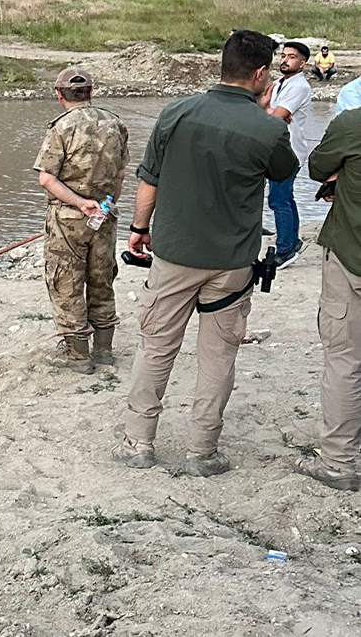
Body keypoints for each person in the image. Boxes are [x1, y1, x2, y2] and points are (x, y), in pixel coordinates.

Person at [114, 30, 298, 476]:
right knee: (218, 356)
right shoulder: (269, 127)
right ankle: (202, 451)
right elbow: (284, 172)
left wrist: (139, 228)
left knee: (156, 348)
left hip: (174, 253)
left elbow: (149, 179)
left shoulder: (176, 112)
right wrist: (263, 114)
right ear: (260, 74)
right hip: (232, 263)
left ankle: (138, 443)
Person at [33, 67, 130, 373]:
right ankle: (104, 350)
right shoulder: (115, 124)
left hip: (68, 220)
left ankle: (77, 355)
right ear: (92, 92)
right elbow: (120, 174)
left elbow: (47, 179)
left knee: (67, 282)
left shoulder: (60, 128)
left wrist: (79, 203)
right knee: (102, 279)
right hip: (104, 216)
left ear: (58, 95)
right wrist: (105, 204)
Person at [299, 107, 361, 490]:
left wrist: (341, 176)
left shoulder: (353, 124)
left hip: (352, 257)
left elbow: (317, 167)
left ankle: (339, 463)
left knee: (345, 361)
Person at [266, 41, 312, 268]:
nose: (285, 60)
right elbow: (266, 107)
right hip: (277, 148)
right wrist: (271, 111)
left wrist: (271, 112)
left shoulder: (299, 86)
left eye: (291, 57)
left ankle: (285, 250)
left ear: (302, 63)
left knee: (278, 199)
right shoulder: (278, 84)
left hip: (289, 151)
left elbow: (276, 116)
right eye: (283, 55)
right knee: (285, 197)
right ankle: (292, 241)